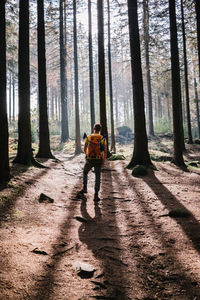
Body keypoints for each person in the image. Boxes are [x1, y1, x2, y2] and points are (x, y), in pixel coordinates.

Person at [80, 123, 107, 201]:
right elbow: (105, 151)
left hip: (90, 159)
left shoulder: (89, 137)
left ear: (94, 129)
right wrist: (104, 161)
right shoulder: (102, 138)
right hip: (99, 159)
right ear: (100, 130)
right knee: (97, 176)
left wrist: (87, 155)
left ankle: (85, 187)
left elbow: (85, 148)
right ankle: (96, 195)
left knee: (85, 172)